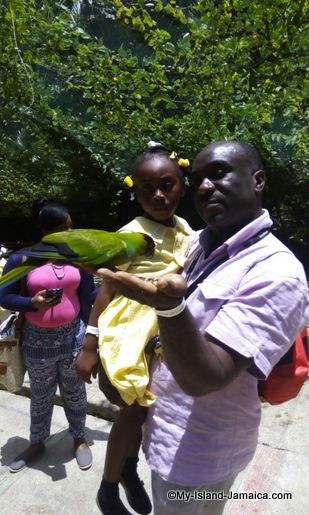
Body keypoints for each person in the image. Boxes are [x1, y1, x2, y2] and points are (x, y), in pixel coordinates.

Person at [95, 140, 309, 515]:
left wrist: (169, 308)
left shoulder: (276, 273)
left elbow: (206, 377)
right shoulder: (198, 244)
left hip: (201, 456)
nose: (205, 186)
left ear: (257, 180)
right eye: (197, 179)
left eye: (220, 173)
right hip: (164, 432)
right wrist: (116, 364)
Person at [76, 142, 193, 515]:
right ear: (135, 192)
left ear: (182, 185)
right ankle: (109, 488)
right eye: (147, 188)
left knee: (145, 411)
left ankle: (127, 470)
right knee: (133, 408)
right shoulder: (131, 233)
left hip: (161, 328)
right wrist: (89, 345)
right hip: (128, 326)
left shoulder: (185, 229)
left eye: (167, 184)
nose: (158, 194)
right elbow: (107, 287)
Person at [0, 198, 96, 473]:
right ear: (47, 230)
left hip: (73, 339)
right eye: (65, 228)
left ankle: (79, 438)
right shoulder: (24, 259)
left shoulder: (76, 258)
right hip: (37, 342)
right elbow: (3, 295)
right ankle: (37, 442)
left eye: (71, 227)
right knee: (40, 395)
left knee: (75, 392)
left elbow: (88, 296)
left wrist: (116, 288)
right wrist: (32, 303)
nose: (71, 232)